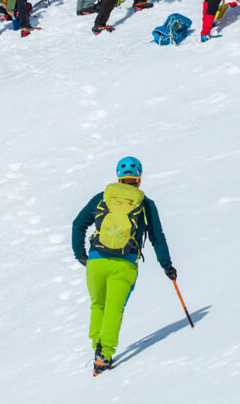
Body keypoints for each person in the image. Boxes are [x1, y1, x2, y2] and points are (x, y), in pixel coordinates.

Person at [70, 156, 177, 376]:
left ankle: (97, 348)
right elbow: (157, 237)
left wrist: (81, 254)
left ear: (119, 177)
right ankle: (104, 354)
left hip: (96, 261)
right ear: (139, 178)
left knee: (98, 305)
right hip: (125, 263)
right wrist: (167, 265)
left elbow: (78, 224)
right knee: (114, 309)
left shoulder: (102, 198)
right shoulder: (145, 203)